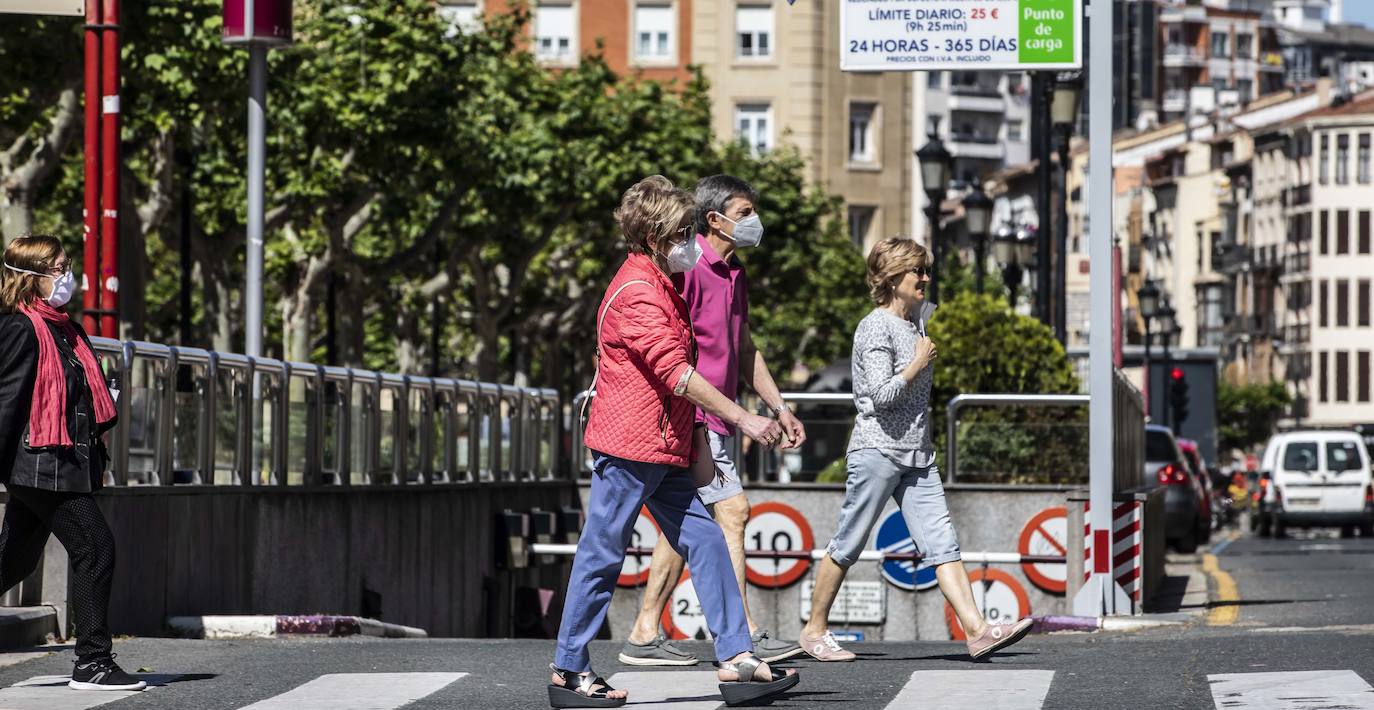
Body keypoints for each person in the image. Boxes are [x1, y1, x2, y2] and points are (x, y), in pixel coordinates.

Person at [548, 177, 799, 709]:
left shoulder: (661, 282)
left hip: (664, 446)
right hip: (628, 447)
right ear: (657, 237)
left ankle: (735, 658)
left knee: (706, 541)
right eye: (683, 232)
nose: (692, 241)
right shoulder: (639, 291)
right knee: (602, 553)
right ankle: (569, 671)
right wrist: (744, 420)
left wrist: (699, 437)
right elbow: (676, 374)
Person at [799, 236, 1033, 662]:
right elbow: (879, 395)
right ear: (892, 278)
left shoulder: (914, 325)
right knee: (849, 542)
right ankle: (814, 631)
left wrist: (919, 354)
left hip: (918, 456)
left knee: (943, 544)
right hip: (878, 451)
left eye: (926, 270)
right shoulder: (875, 326)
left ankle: (978, 631)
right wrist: (916, 364)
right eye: (917, 271)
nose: (926, 278)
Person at [619, 174, 806, 668]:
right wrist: (731, 415)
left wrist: (780, 407)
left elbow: (743, 349)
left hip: (720, 416)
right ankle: (742, 631)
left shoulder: (734, 272)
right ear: (714, 219)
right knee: (733, 512)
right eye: (745, 213)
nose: (754, 222)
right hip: (698, 414)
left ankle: (643, 631)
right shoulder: (690, 268)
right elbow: (669, 350)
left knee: (686, 523)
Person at [0, 235, 146, 691]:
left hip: (65, 459)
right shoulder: (20, 329)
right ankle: (93, 662)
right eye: (58, 269)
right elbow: (6, 401)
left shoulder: (66, 328)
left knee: (15, 561)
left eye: (66, 267)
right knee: (95, 547)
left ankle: (94, 662)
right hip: (38, 462)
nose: (67, 277)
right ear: (31, 277)